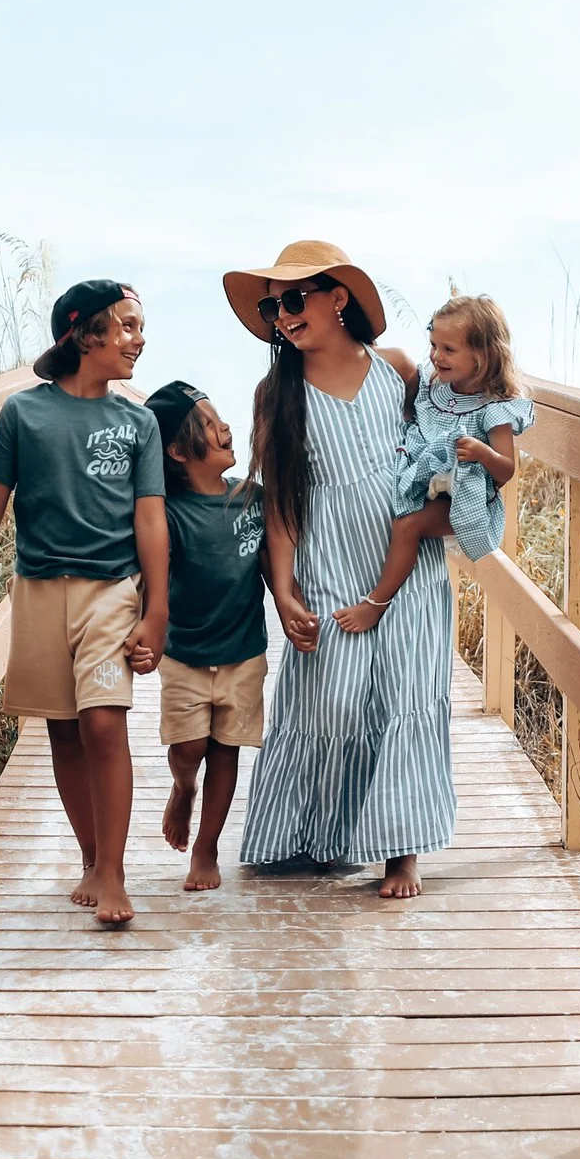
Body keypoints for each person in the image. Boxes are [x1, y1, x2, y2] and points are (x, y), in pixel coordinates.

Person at [223, 240, 455, 898]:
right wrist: (285, 589)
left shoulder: (399, 369)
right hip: (328, 555)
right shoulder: (278, 391)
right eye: (273, 308)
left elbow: (446, 434)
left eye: (294, 299)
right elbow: (283, 501)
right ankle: (322, 830)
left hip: (406, 559)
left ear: (338, 298)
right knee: (338, 699)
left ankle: (400, 850)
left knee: (408, 693)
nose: (283, 315)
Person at [0, 280, 166, 927]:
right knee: (64, 729)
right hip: (40, 588)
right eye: (126, 326)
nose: (138, 338)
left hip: (111, 588)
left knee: (104, 721)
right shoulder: (24, 413)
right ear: (84, 335)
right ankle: (93, 857)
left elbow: (151, 519)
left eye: (139, 326)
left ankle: (117, 871)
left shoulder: (138, 421)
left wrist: (156, 609)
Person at [334, 294, 532, 632]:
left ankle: (376, 603)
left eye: (448, 350)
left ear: (483, 356)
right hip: (427, 473)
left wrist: (482, 453)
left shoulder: (494, 408)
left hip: (462, 496)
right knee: (378, 499)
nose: (436, 356)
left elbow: (506, 470)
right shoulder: (434, 385)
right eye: (433, 345)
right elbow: (410, 403)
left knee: (407, 526)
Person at [141, 381, 267, 893]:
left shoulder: (253, 498)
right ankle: (183, 785)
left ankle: (207, 847)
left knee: (228, 749)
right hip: (185, 652)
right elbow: (147, 575)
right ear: (176, 450)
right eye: (209, 424)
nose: (225, 428)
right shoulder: (166, 512)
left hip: (243, 649)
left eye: (222, 419)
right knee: (191, 746)